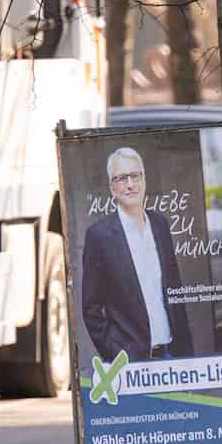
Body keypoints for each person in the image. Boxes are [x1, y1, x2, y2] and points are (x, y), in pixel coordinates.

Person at [81, 147, 194, 361]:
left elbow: (175, 293)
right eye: (122, 178)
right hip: (132, 364)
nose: (130, 184)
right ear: (111, 188)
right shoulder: (100, 236)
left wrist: (186, 356)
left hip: (172, 356)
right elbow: (91, 309)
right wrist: (117, 354)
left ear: (144, 180)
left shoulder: (160, 225)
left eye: (135, 176)